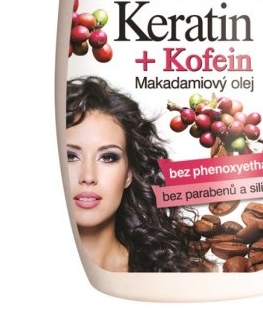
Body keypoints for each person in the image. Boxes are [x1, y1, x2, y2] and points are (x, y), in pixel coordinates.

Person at [65, 75, 200, 272]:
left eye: (108, 157)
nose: (88, 176)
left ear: (128, 174)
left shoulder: (164, 274)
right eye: (70, 156)